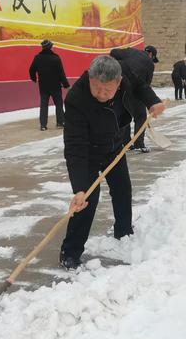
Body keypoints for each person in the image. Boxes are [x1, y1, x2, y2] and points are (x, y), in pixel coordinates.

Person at [59, 55, 165, 269]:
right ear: (89, 77)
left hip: (115, 146)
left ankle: (124, 232)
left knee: (123, 189)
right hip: (88, 153)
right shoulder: (75, 99)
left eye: (107, 90)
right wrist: (79, 188)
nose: (100, 94)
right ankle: (70, 252)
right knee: (87, 201)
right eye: (96, 88)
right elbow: (75, 146)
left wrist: (153, 102)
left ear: (118, 82)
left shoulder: (125, 76)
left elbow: (140, 86)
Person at [110, 45, 159, 153]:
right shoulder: (150, 64)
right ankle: (139, 144)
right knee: (141, 117)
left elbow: (113, 52)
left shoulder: (130, 51)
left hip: (121, 89)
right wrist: (148, 103)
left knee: (125, 114)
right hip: (136, 91)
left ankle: (126, 143)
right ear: (151, 54)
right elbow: (146, 85)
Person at [29, 39, 70, 131]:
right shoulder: (56, 58)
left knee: (44, 105)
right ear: (50, 47)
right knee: (58, 104)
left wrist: (34, 79)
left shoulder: (37, 58)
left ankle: (43, 125)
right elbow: (61, 73)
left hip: (43, 86)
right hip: (55, 86)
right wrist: (66, 85)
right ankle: (60, 123)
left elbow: (31, 70)